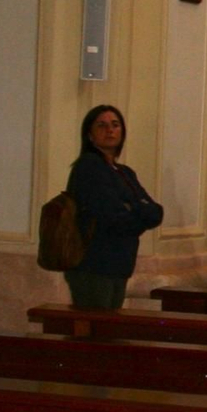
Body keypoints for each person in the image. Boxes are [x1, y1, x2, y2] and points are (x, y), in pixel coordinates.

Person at [64, 105, 163, 309]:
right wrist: (137, 212)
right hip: (94, 263)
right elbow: (111, 216)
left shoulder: (124, 172)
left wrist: (133, 210)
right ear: (90, 135)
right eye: (102, 125)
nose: (110, 130)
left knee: (111, 327)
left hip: (119, 263)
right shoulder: (89, 167)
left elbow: (155, 212)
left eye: (115, 125)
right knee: (96, 330)